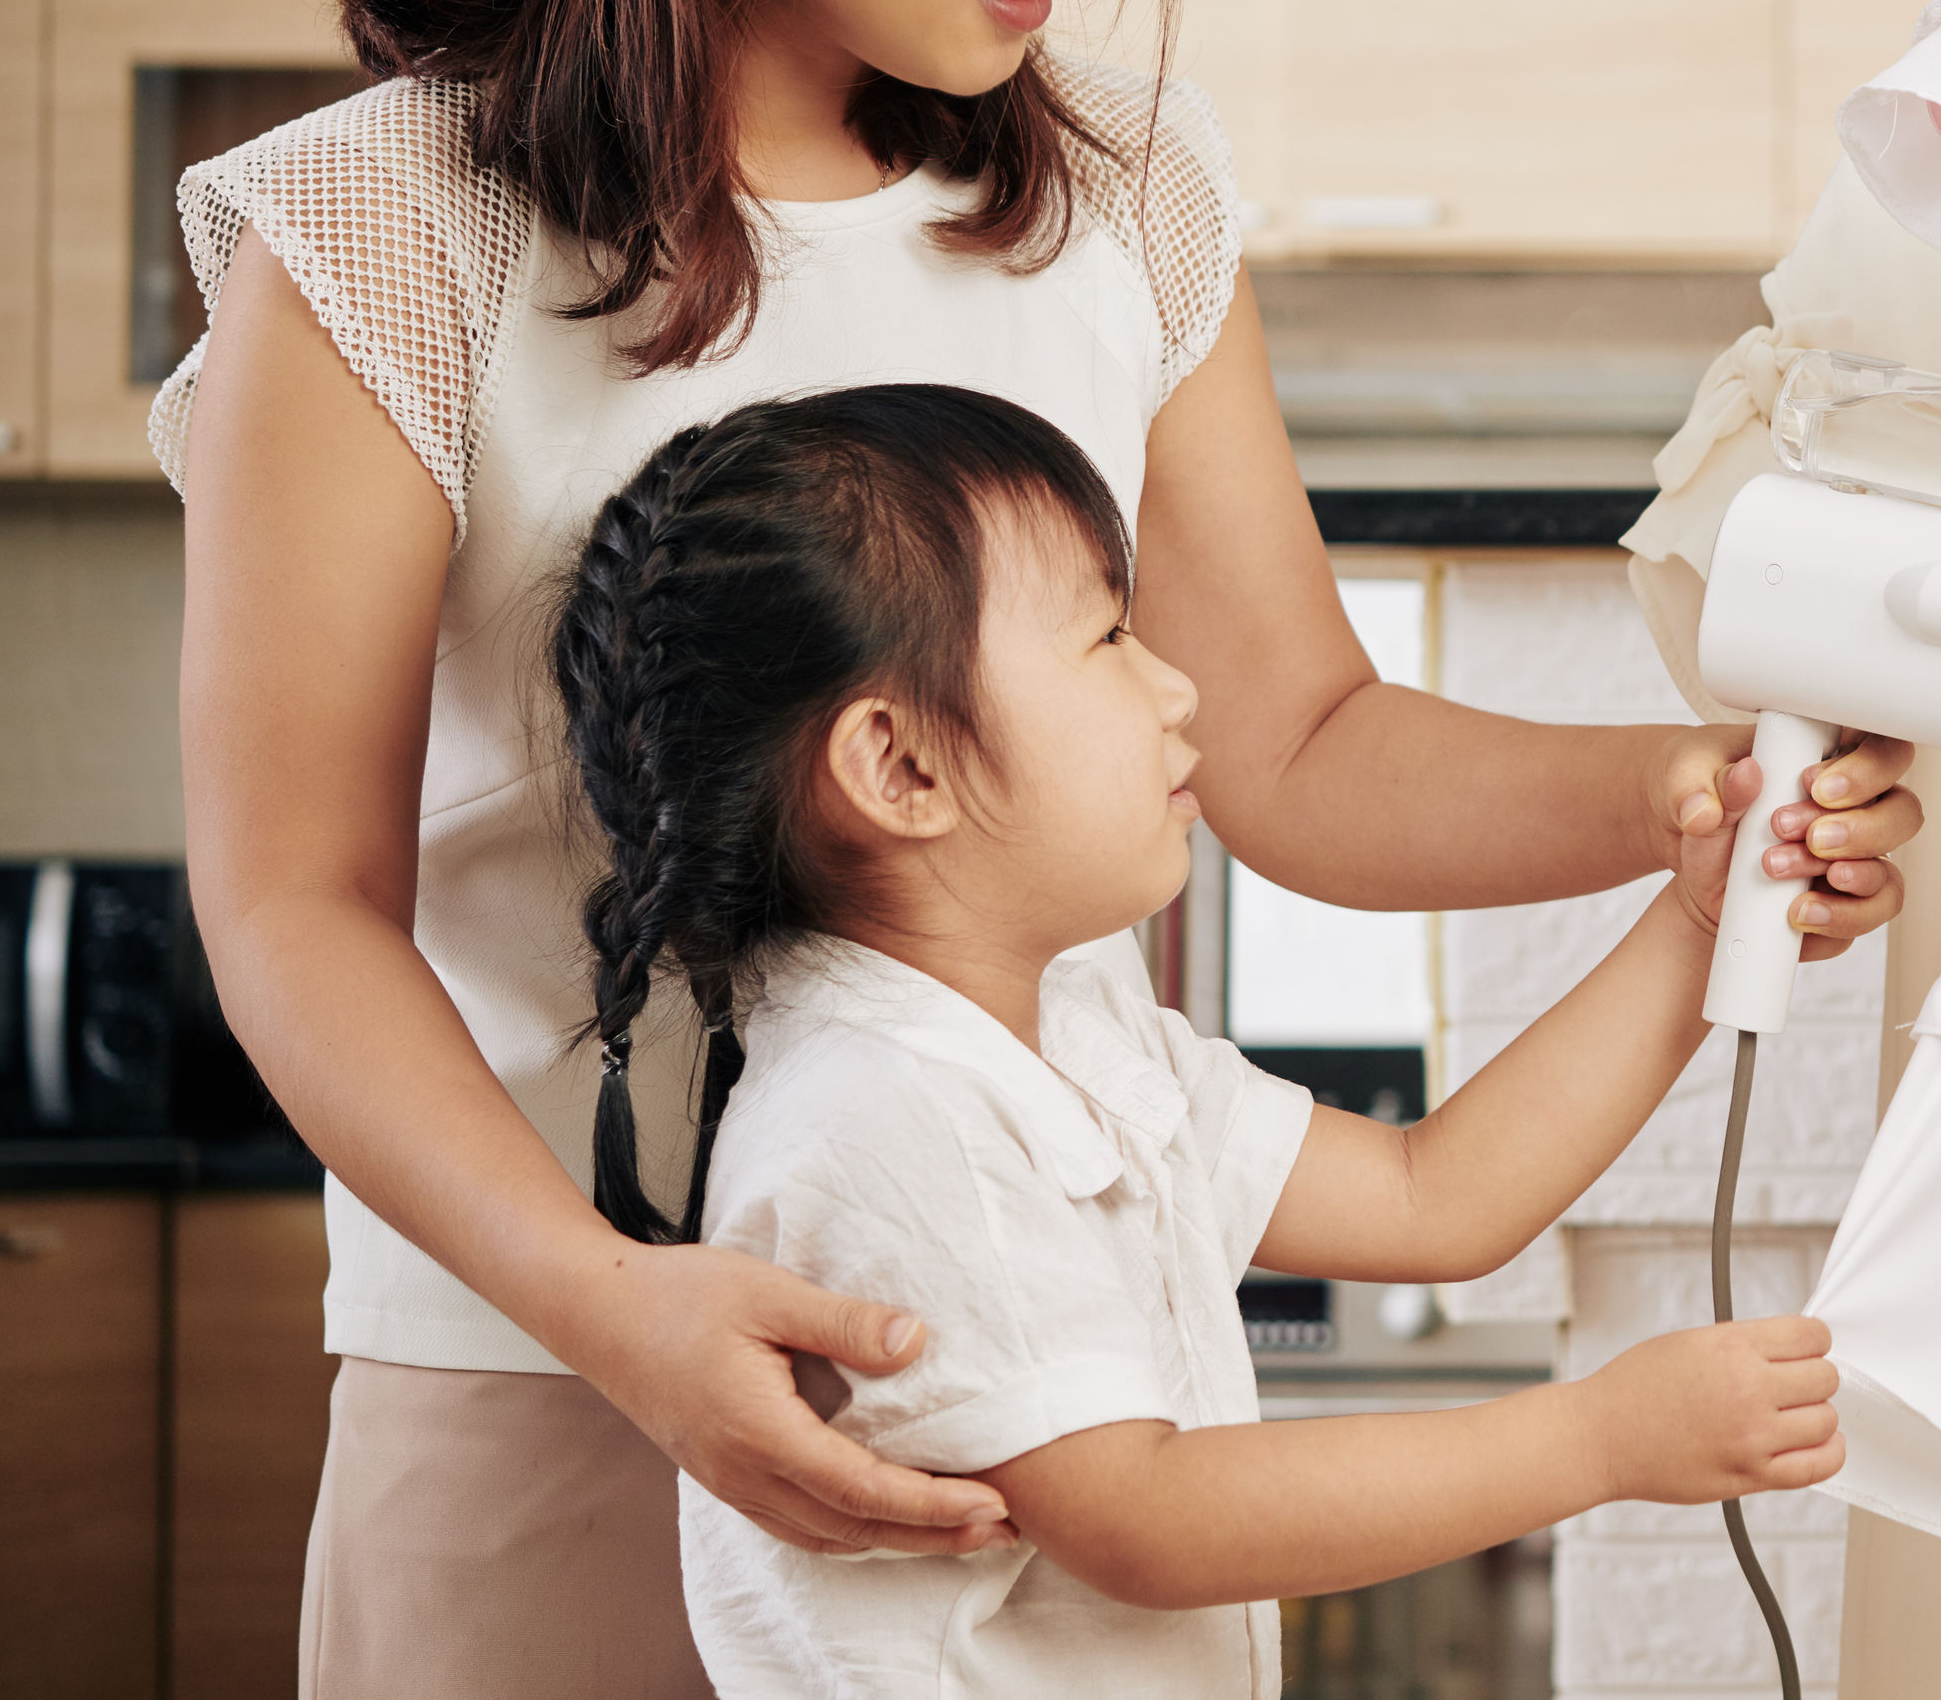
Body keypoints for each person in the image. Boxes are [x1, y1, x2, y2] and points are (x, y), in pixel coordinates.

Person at [160, 0, 1917, 1692]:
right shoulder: (383, 232)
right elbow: (292, 903)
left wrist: (1680, 801)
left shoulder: (1124, 197)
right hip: (538, 1370)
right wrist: (616, 1310)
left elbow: (1298, 744)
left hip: (1038, 1376)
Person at [548, 383, 1834, 1695]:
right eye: (1109, 638)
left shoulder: (1072, 1034)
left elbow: (1429, 1198)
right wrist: (1598, 1443)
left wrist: (1695, 913)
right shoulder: (883, 1121)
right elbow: (1145, 1517)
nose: (1177, 689)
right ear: (903, 769)